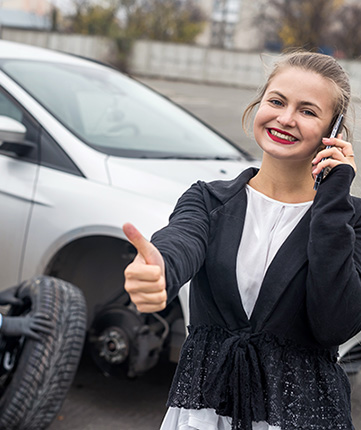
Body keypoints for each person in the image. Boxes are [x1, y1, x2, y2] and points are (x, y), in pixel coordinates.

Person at [123, 51, 361, 430]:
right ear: (259, 104)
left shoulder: (351, 218)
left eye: (308, 111)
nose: (285, 118)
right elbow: (181, 242)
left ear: (333, 131)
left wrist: (333, 199)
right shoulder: (208, 199)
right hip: (203, 414)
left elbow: (334, 324)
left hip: (300, 416)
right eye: (277, 101)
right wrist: (160, 271)